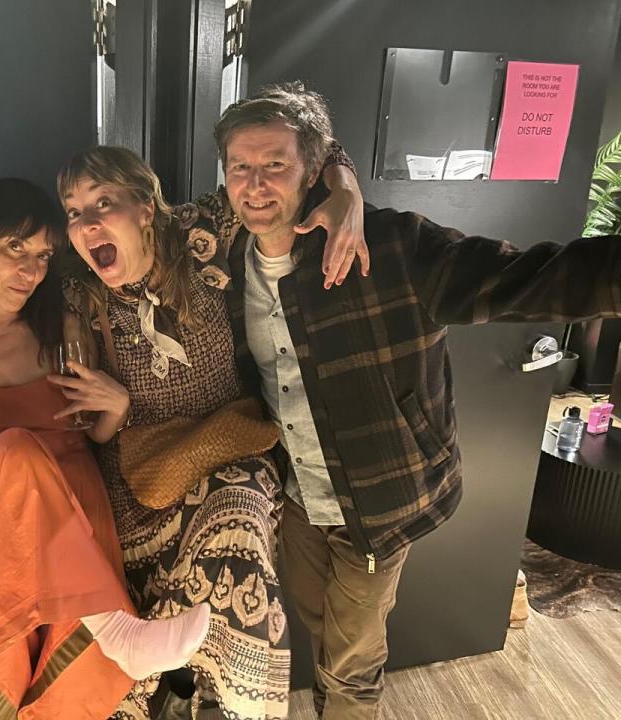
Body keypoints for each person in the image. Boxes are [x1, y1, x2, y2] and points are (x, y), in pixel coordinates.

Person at [193, 81, 621, 719]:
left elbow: (532, 277)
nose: (255, 184)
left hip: (380, 498)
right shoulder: (224, 256)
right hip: (297, 496)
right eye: (240, 168)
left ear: (309, 169)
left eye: (275, 165)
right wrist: (344, 182)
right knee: (324, 631)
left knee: (349, 665)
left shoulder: (389, 248)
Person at [0, 178, 212, 720]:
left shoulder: (64, 328)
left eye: (42, 256)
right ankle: (113, 625)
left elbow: (89, 434)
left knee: (67, 475)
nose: (30, 271)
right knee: (18, 448)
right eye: (15, 248)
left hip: (71, 504)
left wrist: (117, 407)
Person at [53, 145, 365, 719]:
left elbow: (313, 146)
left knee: (236, 522)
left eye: (104, 202)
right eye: (74, 211)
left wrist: (346, 191)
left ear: (146, 208)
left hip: (229, 445)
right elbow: (89, 431)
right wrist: (117, 410)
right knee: (141, 621)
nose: (87, 222)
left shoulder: (203, 232)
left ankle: (239, 703)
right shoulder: (79, 294)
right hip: (143, 476)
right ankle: (166, 692)